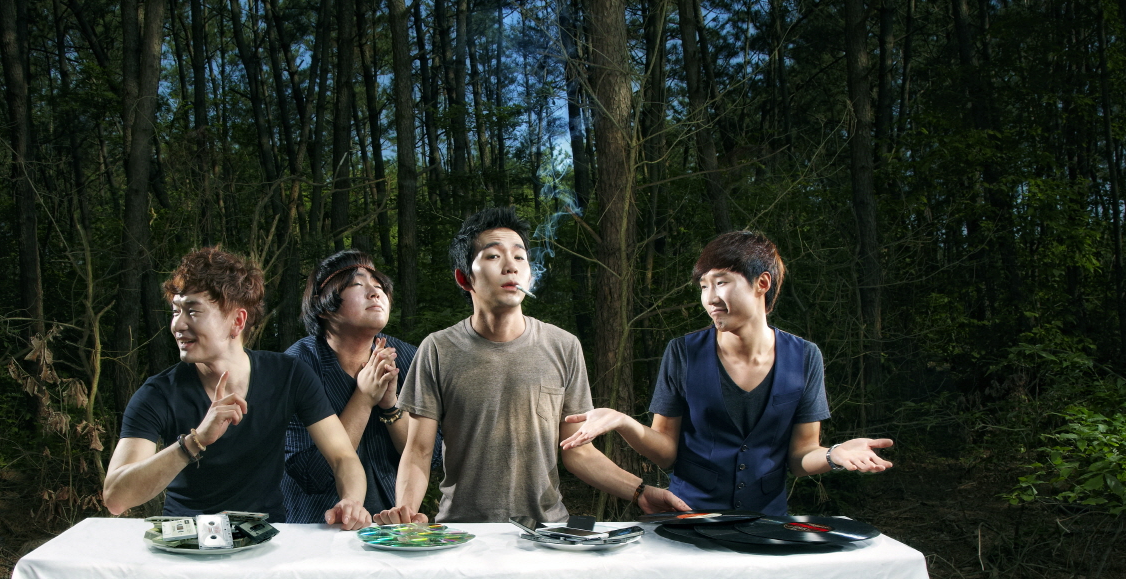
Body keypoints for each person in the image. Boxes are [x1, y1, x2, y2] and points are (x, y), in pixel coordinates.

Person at [375, 207, 688, 526]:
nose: (510, 265)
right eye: (493, 256)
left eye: (519, 257)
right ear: (464, 278)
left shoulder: (563, 346)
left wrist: (641, 492)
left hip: (547, 531)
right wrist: (405, 513)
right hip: (464, 531)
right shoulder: (437, 349)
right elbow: (418, 451)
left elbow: (578, 452)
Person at [560, 229, 892, 517]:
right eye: (704, 286)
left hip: (766, 523)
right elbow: (666, 453)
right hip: (688, 517)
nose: (710, 298)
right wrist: (624, 422)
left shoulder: (805, 357)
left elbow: (800, 456)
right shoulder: (683, 353)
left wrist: (834, 455)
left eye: (721, 283)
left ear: (762, 283)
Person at [102, 246, 371, 528]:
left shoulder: (289, 375)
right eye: (175, 311)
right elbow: (116, 498)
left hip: (264, 537)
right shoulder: (157, 393)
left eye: (192, 311)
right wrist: (194, 442)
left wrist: (351, 501)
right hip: (185, 541)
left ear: (237, 321)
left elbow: (343, 457)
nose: (177, 325)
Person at [281, 250, 436, 520]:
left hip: (389, 522)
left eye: (379, 286)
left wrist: (390, 407)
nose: (375, 293)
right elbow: (311, 474)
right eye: (356, 285)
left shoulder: (409, 358)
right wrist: (363, 398)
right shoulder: (297, 366)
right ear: (323, 305)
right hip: (318, 526)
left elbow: (431, 457)